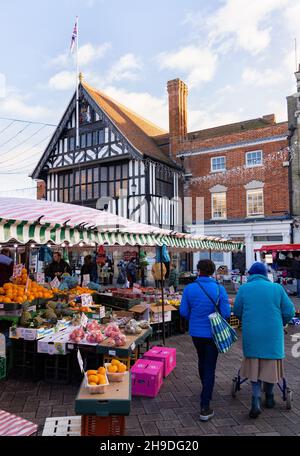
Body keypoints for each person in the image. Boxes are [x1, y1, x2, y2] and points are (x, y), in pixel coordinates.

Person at [234, 262, 295, 419]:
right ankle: (269, 396)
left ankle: (255, 399)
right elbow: (289, 311)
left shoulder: (244, 289)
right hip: (272, 333)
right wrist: (281, 322)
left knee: (254, 365)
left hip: (252, 333)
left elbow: (237, 311)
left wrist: (246, 320)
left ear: (251, 274)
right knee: (270, 365)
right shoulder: (277, 288)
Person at [180, 259, 231, 421]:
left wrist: (193, 318)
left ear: (198, 270)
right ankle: (205, 405)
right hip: (213, 333)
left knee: (202, 361)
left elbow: (183, 312)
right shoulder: (219, 289)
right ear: (212, 271)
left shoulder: (189, 288)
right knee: (210, 366)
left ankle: (205, 389)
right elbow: (226, 313)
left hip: (196, 332)